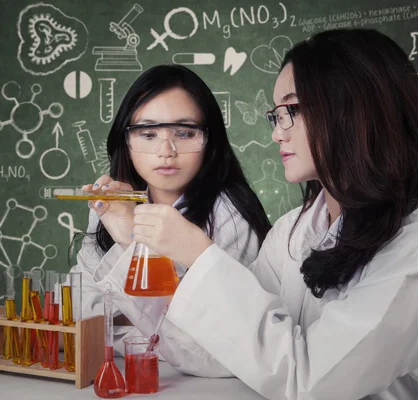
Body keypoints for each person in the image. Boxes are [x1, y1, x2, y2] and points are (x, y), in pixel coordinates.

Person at [128, 28, 418, 399]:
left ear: (354, 110)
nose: (277, 134)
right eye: (276, 115)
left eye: (292, 111)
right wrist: (125, 235)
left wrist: (199, 256)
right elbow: (221, 356)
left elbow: (314, 383)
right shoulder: (291, 232)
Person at [70, 64, 272, 366]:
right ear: (125, 141)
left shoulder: (232, 215)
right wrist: (154, 328)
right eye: (148, 133)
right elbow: (79, 312)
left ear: (209, 140)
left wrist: (131, 240)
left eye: (184, 132)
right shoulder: (111, 204)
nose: (166, 151)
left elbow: (211, 343)